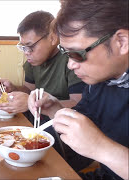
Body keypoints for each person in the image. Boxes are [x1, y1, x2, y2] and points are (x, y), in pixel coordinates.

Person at [28, 0, 128, 179]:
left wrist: (101, 148)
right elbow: (86, 123)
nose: (70, 65)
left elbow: (97, 144)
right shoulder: (99, 83)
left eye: (77, 54)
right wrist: (56, 109)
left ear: (121, 42)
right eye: (66, 53)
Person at [0, 11, 86, 159]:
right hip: (37, 124)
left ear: (53, 38)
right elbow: (29, 90)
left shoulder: (71, 60)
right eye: (23, 47)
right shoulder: (33, 61)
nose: (26, 53)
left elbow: (78, 105)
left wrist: (34, 104)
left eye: (30, 46)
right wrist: (14, 89)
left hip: (67, 135)